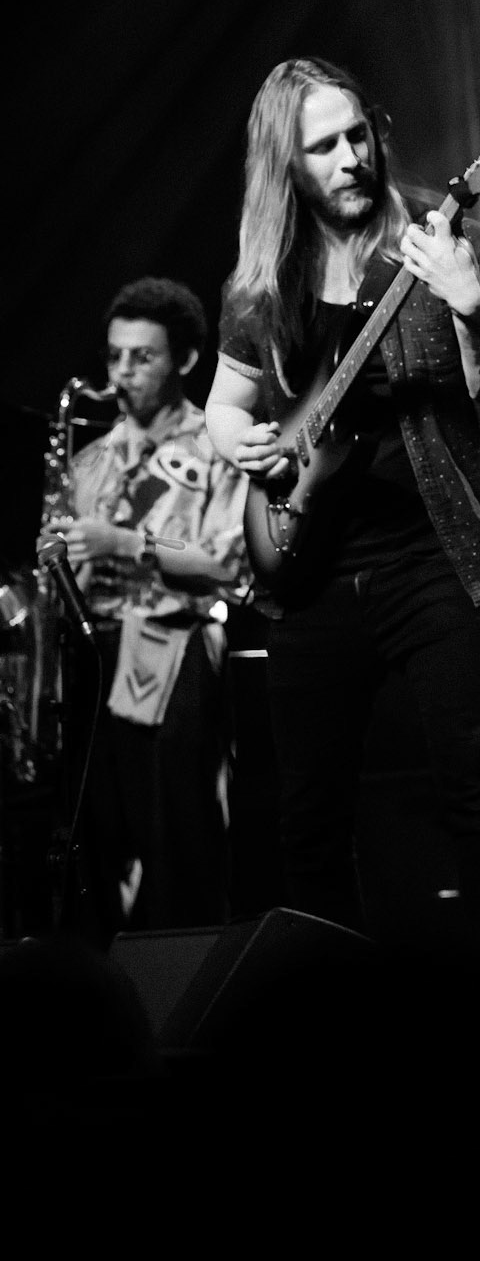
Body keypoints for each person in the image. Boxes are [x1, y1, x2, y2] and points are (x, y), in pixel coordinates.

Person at [204, 57, 480, 946]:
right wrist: (238, 441)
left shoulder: (446, 237)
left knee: (475, 780)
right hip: (309, 566)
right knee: (308, 815)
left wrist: (469, 306)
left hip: (436, 553)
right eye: (324, 146)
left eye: (358, 135)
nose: (351, 157)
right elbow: (223, 412)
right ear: (288, 166)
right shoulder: (265, 279)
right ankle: (330, 1022)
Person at [52, 277, 248, 937]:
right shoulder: (90, 463)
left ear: (186, 360)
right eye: (115, 356)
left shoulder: (218, 445)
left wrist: (129, 543)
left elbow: (229, 564)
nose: (124, 372)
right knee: (97, 843)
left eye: (144, 356)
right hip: (92, 655)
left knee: (180, 843)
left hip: (179, 653)